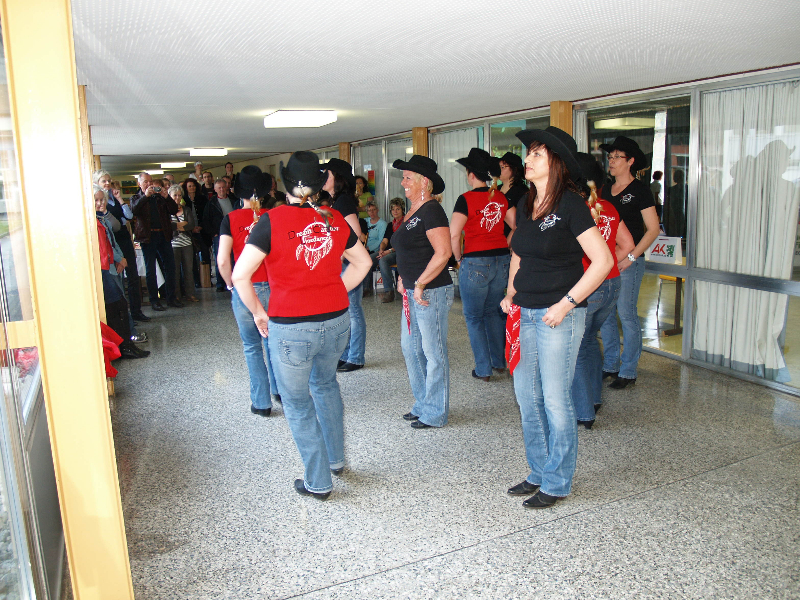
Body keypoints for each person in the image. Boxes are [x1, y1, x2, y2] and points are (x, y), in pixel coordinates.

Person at [231, 151, 372, 500]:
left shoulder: (271, 221)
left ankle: (318, 482)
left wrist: (259, 313)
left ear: (285, 185)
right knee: (325, 385)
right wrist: (334, 291)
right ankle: (336, 460)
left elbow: (239, 275)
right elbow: (363, 263)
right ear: (319, 185)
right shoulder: (333, 218)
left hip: (292, 327)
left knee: (296, 402)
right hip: (336, 321)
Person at [501, 127, 612, 509]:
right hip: (525, 312)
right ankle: (539, 470)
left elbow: (603, 261)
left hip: (558, 317)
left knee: (554, 400)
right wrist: (510, 293)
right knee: (526, 397)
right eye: (528, 154)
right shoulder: (526, 202)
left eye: (536, 154)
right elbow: (519, 254)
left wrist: (566, 303)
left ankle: (558, 481)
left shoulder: (571, 204)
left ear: (556, 162)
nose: (527, 160)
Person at [571, 153, 635, 429]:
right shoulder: (608, 206)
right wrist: (609, 267)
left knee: (577, 347)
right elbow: (627, 244)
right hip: (612, 284)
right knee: (589, 342)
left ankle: (584, 412)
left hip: (588, 286)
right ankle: (594, 398)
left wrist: (593, 271)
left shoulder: (576, 208)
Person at [390, 155, 453, 429]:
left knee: (433, 353)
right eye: (403, 177)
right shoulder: (413, 210)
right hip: (413, 291)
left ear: (424, 182)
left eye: (407, 178)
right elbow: (410, 250)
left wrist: (420, 283)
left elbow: (444, 252)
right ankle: (423, 403)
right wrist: (404, 279)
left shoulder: (432, 211)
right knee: (411, 348)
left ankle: (436, 412)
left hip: (431, 292)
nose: (403, 182)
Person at [217, 166, 280, 417]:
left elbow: (223, 260)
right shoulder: (273, 217)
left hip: (245, 288)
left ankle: (262, 403)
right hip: (273, 289)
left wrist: (231, 285)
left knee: (252, 346)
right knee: (273, 342)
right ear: (263, 192)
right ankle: (280, 391)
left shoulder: (230, 219)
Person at [597, 136, 660, 389]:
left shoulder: (640, 190)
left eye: (617, 157)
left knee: (626, 314)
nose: (611, 162)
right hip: (607, 261)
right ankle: (610, 364)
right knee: (606, 315)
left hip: (629, 262)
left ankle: (628, 370)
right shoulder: (604, 190)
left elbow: (653, 229)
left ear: (630, 161)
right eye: (610, 157)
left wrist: (632, 257)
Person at [450, 148, 515, 381]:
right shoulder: (500, 197)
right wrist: (506, 244)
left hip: (476, 260)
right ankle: (498, 362)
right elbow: (516, 225)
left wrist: (458, 259)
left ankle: (483, 369)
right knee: (493, 313)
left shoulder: (465, 199)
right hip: (501, 260)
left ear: (470, 174)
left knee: (474, 317)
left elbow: (454, 234)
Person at [94, 186, 149, 359]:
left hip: (113, 264)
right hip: (105, 268)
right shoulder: (93, 222)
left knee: (121, 305)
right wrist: (119, 258)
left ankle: (127, 343)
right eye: (96, 200)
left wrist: (121, 258)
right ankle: (123, 345)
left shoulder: (103, 218)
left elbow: (112, 241)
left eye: (102, 200)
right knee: (117, 307)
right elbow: (102, 246)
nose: (100, 203)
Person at [323, 158, 366, 373]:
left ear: (338, 178)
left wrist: (339, 255)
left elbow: (355, 233)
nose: (324, 178)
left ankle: (356, 356)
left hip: (350, 264)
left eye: (328, 174)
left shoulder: (343, 202)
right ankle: (348, 353)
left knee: (353, 311)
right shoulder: (336, 201)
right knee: (346, 311)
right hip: (345, 263)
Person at [130, 172, 181, 311]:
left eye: (150, 181)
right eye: (145, 182)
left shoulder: (159, 197)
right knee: (151, 269)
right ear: (139, 184)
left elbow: (174, 210)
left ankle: (171, 298)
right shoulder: (136, 197)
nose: (149, 184)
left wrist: (167, 197)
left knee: (170, 266)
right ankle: (154, 300)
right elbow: (134, 210)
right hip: (147, 237)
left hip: (163, 235)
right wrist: (145, 196)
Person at [204, 178, 241, 292]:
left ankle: (234, 281)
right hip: (219, 235)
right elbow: (206, 220)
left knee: (234, 258)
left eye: (223, 187)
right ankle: (220, 283)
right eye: (219, 188)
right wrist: (214, 233)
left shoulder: (234, 201)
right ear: (215, 189)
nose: (221, 190)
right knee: (220, 258)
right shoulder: (211, 204)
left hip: (234, 233)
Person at [169, 184, 199, 303]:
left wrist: (177, 226)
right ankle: (177, 295)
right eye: (175, 195)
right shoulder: (167, 210)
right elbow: (168, 226)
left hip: (187, 243)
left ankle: (190, 294)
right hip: (173, 244)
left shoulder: (186, 209)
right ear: (170, 196)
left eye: (179, 195)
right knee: (175, 271)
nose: (177, 197)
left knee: (188, 270)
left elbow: (191, 224)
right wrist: (180, 225)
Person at [375, 197, 405, 302]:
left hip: (400, 252)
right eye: (393, 209)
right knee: (368, 258)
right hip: (387, 251)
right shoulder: (390, 225)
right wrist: (381, 250)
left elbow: (402, 243)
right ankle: (365, 289)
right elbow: (385, 241)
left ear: (402, 210)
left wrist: (388, 251)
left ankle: (389, 292)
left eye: (398, 209)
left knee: (383, 260)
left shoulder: (406, 223)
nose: (395, 211)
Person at [361, 201, 388, 296]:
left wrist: (369, 248)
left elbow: (381, 240)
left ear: (377, 210)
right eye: (369, 210)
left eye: (373, 210)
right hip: (363, 249)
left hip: (376, 250)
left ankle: (366, 288)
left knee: (367, 261)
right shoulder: (364, 221)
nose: (371, 212)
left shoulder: (382, 224)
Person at [497, 151, 528, 225]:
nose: (499, 170)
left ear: (514, 169)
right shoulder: (496, 189)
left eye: (503, 167)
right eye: (499, 167)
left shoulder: (522, 192)